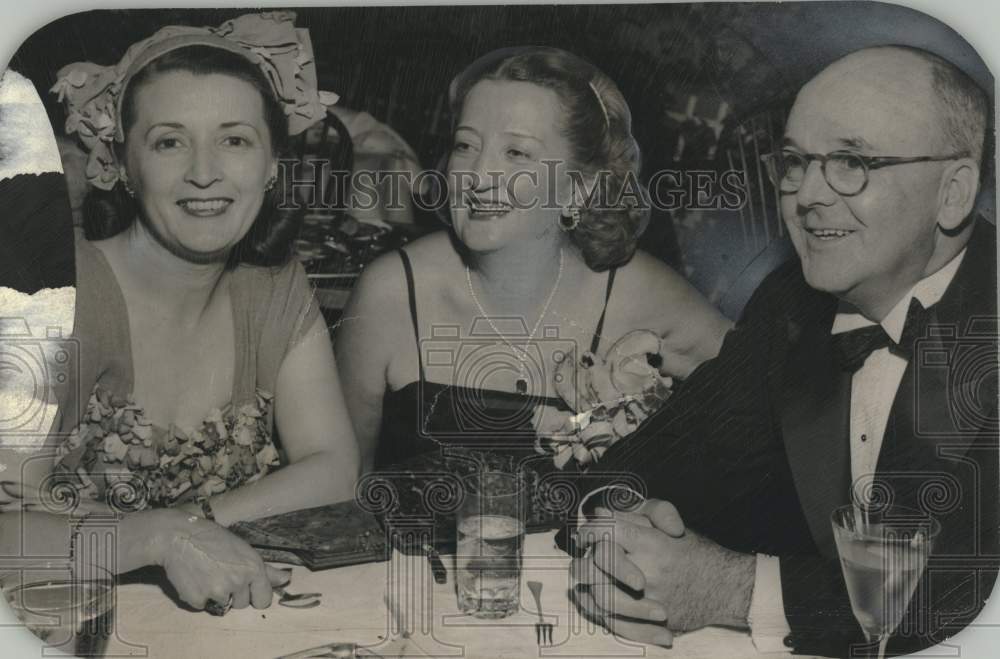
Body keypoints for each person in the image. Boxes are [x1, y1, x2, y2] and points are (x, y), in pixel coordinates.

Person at [569, 45, 997, 656]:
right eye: (795, 162)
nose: (806, 195)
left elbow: (963, 595)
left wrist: (733, 590)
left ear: (953, 193)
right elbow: (652, 465)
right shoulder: (793, 305)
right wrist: (611, 538)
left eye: (850, 161)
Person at [0, 13, 360, 614]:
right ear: (123, 166)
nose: (203, 171)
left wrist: (191, 524)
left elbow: (334, 467)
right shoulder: (55, 296)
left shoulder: (274, 289)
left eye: (234, 139)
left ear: (273, 166)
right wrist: (157, 536)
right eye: (169, 141)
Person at [336, 46, 732, 472]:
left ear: (577, 188)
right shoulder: (391, 292)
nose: (478, 176)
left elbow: (776, 417)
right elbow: (337, 489)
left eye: (517, 153)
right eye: (465, 145)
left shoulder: (643, 295)